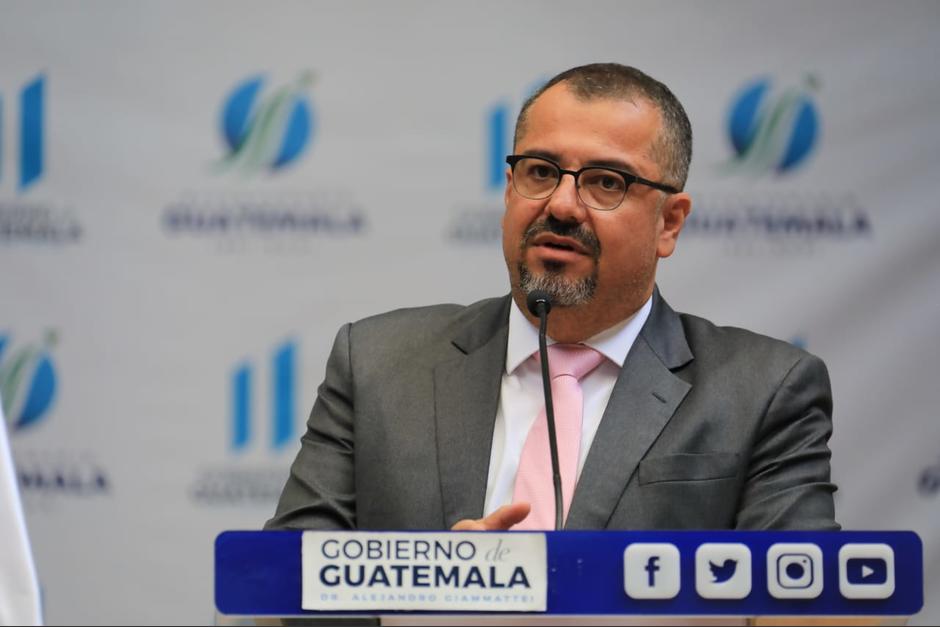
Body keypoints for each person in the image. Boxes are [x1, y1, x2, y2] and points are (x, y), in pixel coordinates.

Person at [265, 63, 838, 533]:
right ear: (510, 188)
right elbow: (284, 582)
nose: (562, 205)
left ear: (670, 223)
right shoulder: (378, 363)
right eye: (541, 171)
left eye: (606, 182)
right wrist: (431, 592)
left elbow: (803, 601)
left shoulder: (764, 391)